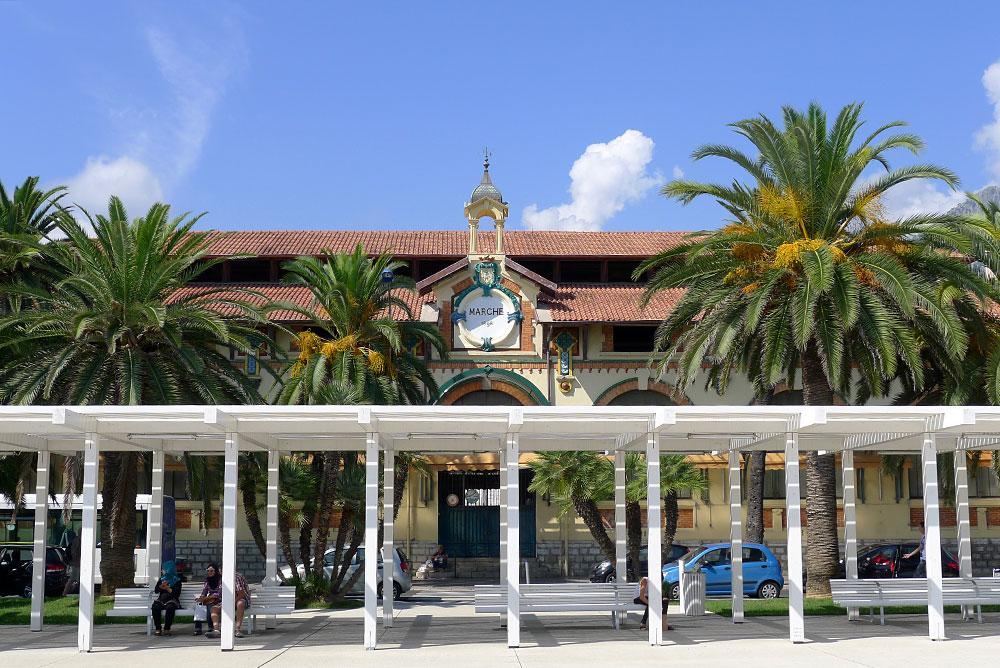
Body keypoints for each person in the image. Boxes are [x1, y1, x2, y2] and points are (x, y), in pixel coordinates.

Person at [206, 569, 252, 639]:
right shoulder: (222, 578)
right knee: (214, 609)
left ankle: (237, 630)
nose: (220, 573)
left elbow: (241, 594)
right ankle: (216, 630)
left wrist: (229, 603)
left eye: (221, 571)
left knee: (240, 603)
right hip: (228, 600)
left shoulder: (236, 577)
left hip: (241, 599)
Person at [151, 561, 182, 636]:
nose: (162, 571)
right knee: (155, 607)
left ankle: (167, 628)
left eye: (164, 569)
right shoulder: (162, 579)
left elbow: (176, 594)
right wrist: (160, 587)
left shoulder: (177, 580)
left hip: (172, 600)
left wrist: (167, 588)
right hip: (162, 599)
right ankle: (158, 628)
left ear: (169, 569)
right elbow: (156, 590)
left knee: (170, 608)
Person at [194, 563, 221, 636]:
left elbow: (219, 593)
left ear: (216, 571)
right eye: (208, 570)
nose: (209, 572)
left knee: (210, 606)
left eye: (212, 571)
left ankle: (211, 627)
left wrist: (208, 597)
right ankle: (198, 628)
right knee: (199, 605)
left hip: (219, 600)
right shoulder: (207, 580)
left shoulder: (220, 580)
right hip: (210, 599)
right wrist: (201, 597)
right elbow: (204, 591)